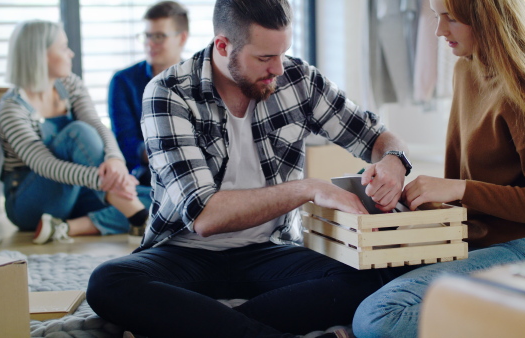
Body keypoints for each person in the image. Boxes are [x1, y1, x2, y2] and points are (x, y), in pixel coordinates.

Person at [86, 0, 413, 337]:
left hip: (269, 251)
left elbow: (378, 136)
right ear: (223, 46)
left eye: (282, 53)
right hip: (184, 254)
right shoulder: (168, 93)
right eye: (264, 58)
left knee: (377, 275)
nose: (279, 69)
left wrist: (394, 160)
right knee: (108, 282)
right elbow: (206, 218)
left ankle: (204, 324)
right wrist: (307, 188)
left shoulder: (299, 80)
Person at [352, 0, 525, 337]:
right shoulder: (466, 69)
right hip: (476, 240)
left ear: (488, 19)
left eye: (452, 19)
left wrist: (461, 189)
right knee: (357, 281)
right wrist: (410, 208)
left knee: (375, 318)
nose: (438, 31)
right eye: (437, 17)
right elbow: (463, 190)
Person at [0, 20, 152, 244]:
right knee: (76, 132)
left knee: (163, 198)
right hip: (29, 201)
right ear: (40, 54)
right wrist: (107, 181)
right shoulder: (12, 108)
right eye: (63, 47)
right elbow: (44, 165)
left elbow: (98, 126)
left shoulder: (69, 84)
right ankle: (138, 215)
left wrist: (115, 161)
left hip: (79, 189)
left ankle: (67, 227)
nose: (71, 54)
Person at [108, 1, 189, 186]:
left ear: (182, 38)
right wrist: (168, 152)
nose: (150, 44)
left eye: (159, 36)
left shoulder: (198, 81)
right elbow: (125, 144)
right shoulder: (123, 81)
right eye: (147, 36)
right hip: (144, 177)